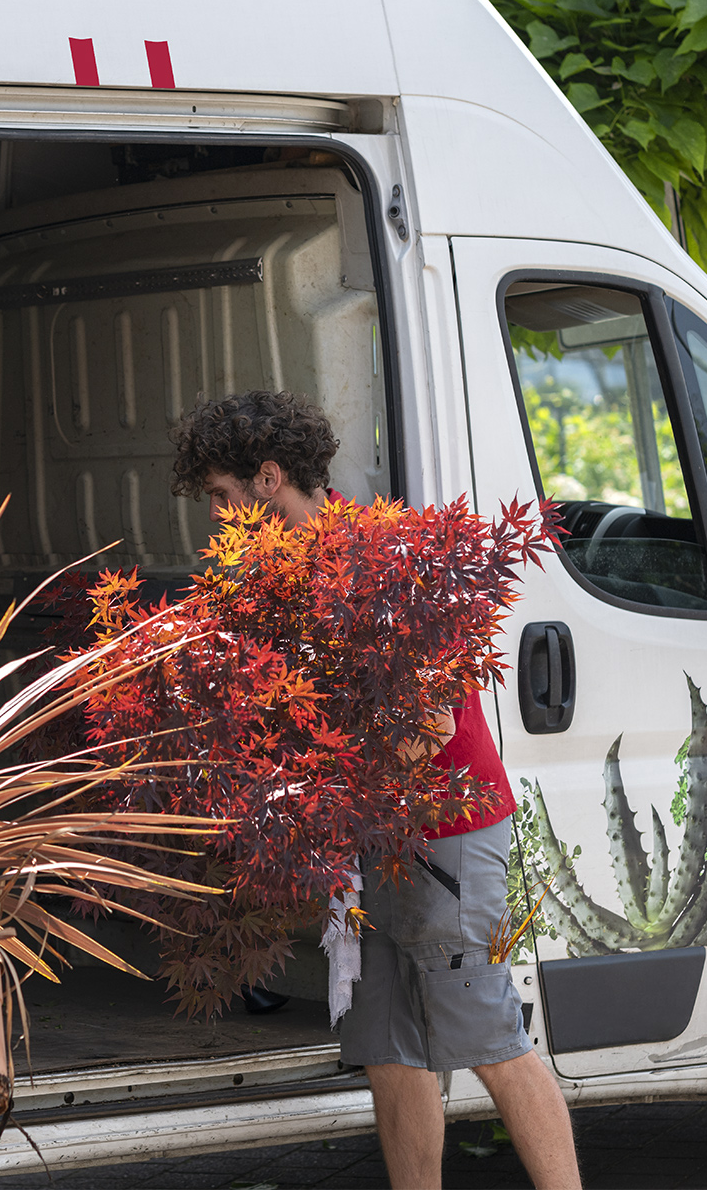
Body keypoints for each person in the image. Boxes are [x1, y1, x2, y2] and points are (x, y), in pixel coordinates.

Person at [169, 391, 581, 1190]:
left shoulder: (386, 554)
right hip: (369, 838)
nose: (218, 518)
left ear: (269, 476)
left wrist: (331, 795)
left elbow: (426, 721)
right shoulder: (278, 580)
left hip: (444, 835)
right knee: (390, 1054)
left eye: (222, 496)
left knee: (490, 1037)